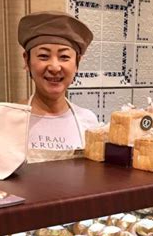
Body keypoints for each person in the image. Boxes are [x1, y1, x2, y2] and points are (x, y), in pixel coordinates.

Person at [18, 11, 99, 162]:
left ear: (77, 63)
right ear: (26, 60)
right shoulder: (10, 120)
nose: (55, 67)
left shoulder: (88, 122)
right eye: (43, 56)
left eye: (64, 57)